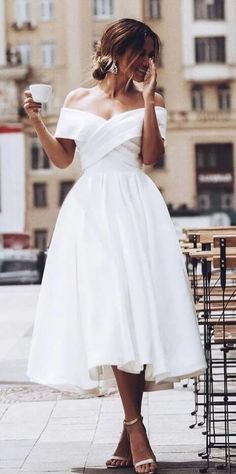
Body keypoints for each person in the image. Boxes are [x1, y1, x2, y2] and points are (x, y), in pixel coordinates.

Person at [24, 18, 206, 474]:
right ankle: (134, 428)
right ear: (114, 49)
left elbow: (150, 157)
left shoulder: (153, 99)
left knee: (134, 314)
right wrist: (37, 122)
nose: (146, 62)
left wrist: (146, 101)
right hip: (90, 212)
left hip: (135, 207)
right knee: (112, 311)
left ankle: (131, 429)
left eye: (151, 54)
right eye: (140, 52)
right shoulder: (76, 99)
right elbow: (65, 158)